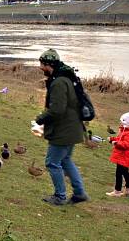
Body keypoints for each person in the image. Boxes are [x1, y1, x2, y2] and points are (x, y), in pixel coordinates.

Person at [34, 49, 89, 205]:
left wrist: (40, 119)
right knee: (65, 160)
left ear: (49, 65)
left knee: (52, 162)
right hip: (73, 128)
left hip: (63, 130)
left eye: (42, 64)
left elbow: (57, 110)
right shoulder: (66, 78)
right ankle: (79, 193)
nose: (40, 67)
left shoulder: (58, 82)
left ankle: (60, 196)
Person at [106, 110, 129, 197]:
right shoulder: (124, 131)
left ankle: (117, 191)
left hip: (125, 156)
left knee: (119, 173)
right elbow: (119, 139)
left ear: (127, 123)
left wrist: (116, 143)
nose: (120, 123)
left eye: (122, 121)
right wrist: (113, 139)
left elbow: (127, 144)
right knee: (125, 172)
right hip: (123, 155)